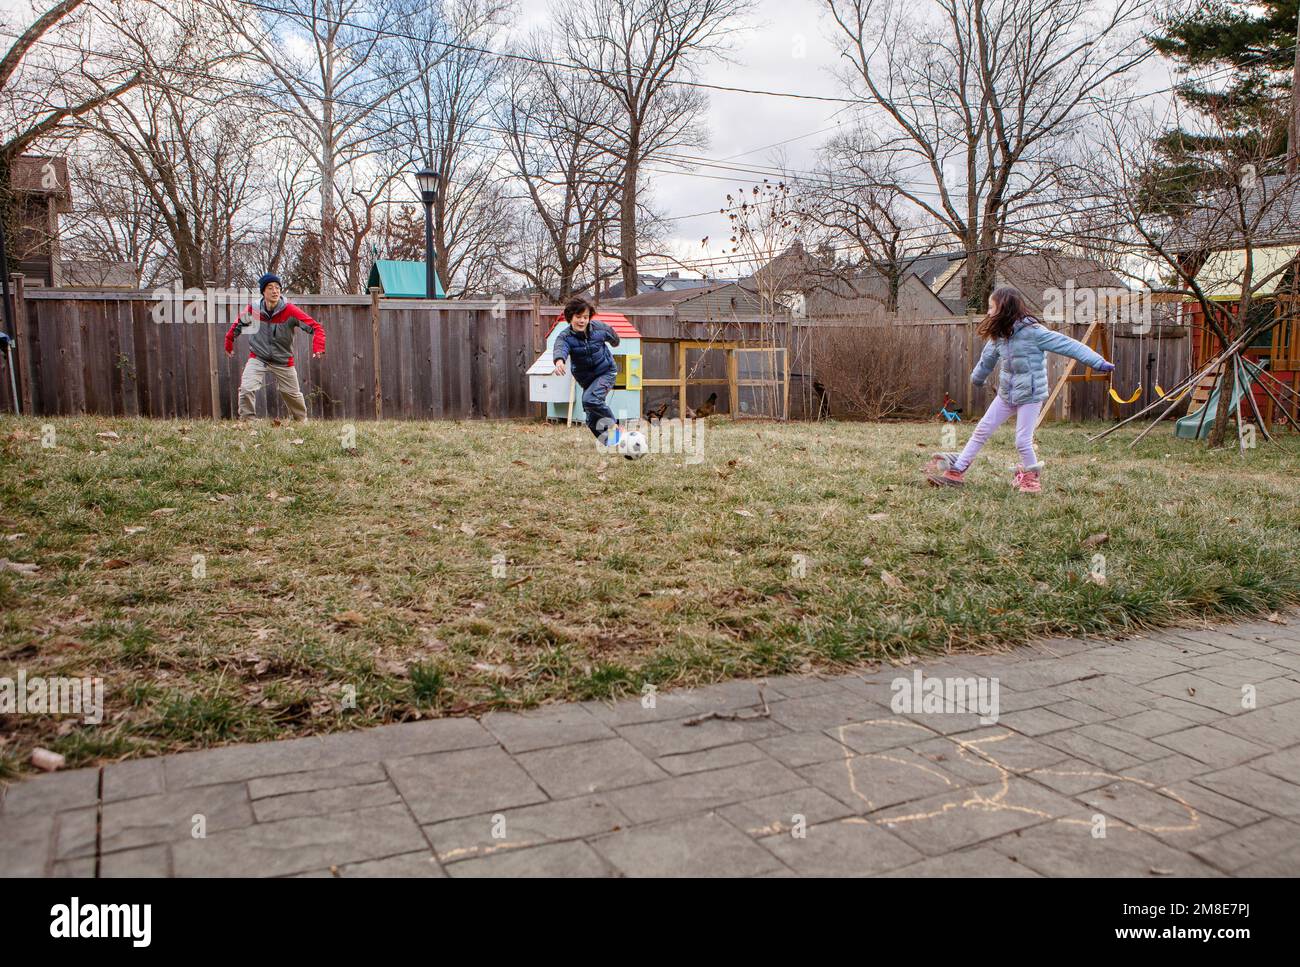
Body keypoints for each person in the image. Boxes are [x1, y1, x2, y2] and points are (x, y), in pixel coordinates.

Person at [927, 285, 1114, 493]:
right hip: (1006, 394)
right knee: (981, 430)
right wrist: (977, 378)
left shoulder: (1035, 333)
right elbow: (986, 360)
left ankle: (1031, 480)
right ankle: (957, 471)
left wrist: (1098, 362)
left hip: (1030, 396)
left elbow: (1069, 345)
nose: (988, 312)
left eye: (991, 307)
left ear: (1004, 308)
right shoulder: (998, 336)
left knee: (1022, 441)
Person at [225, 273, 325, 422]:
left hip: (283, 360)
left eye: (278, 288)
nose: (275, 291)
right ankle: (247, 421)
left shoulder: (290, 310)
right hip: (258, 357)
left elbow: (316, 327)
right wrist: (229, 342)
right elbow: (237, 326)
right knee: (246, 389)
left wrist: (318, 347)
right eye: (270, 288)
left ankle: (300, 422)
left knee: (292, 394)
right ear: (263, 292)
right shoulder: (254, 309)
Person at [552, 296, 621, 441]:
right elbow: (560, 348)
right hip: (587, 380)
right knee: (590, 418)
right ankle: (612, 442)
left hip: (606, 372)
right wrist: (559, 361)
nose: (582, 321)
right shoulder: (565, 337)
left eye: (586, 317)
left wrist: (615, 340)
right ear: (570, 317)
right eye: (578, 317)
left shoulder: (599, 328)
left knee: (591, 400)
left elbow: (614, 339)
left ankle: (614, 427)